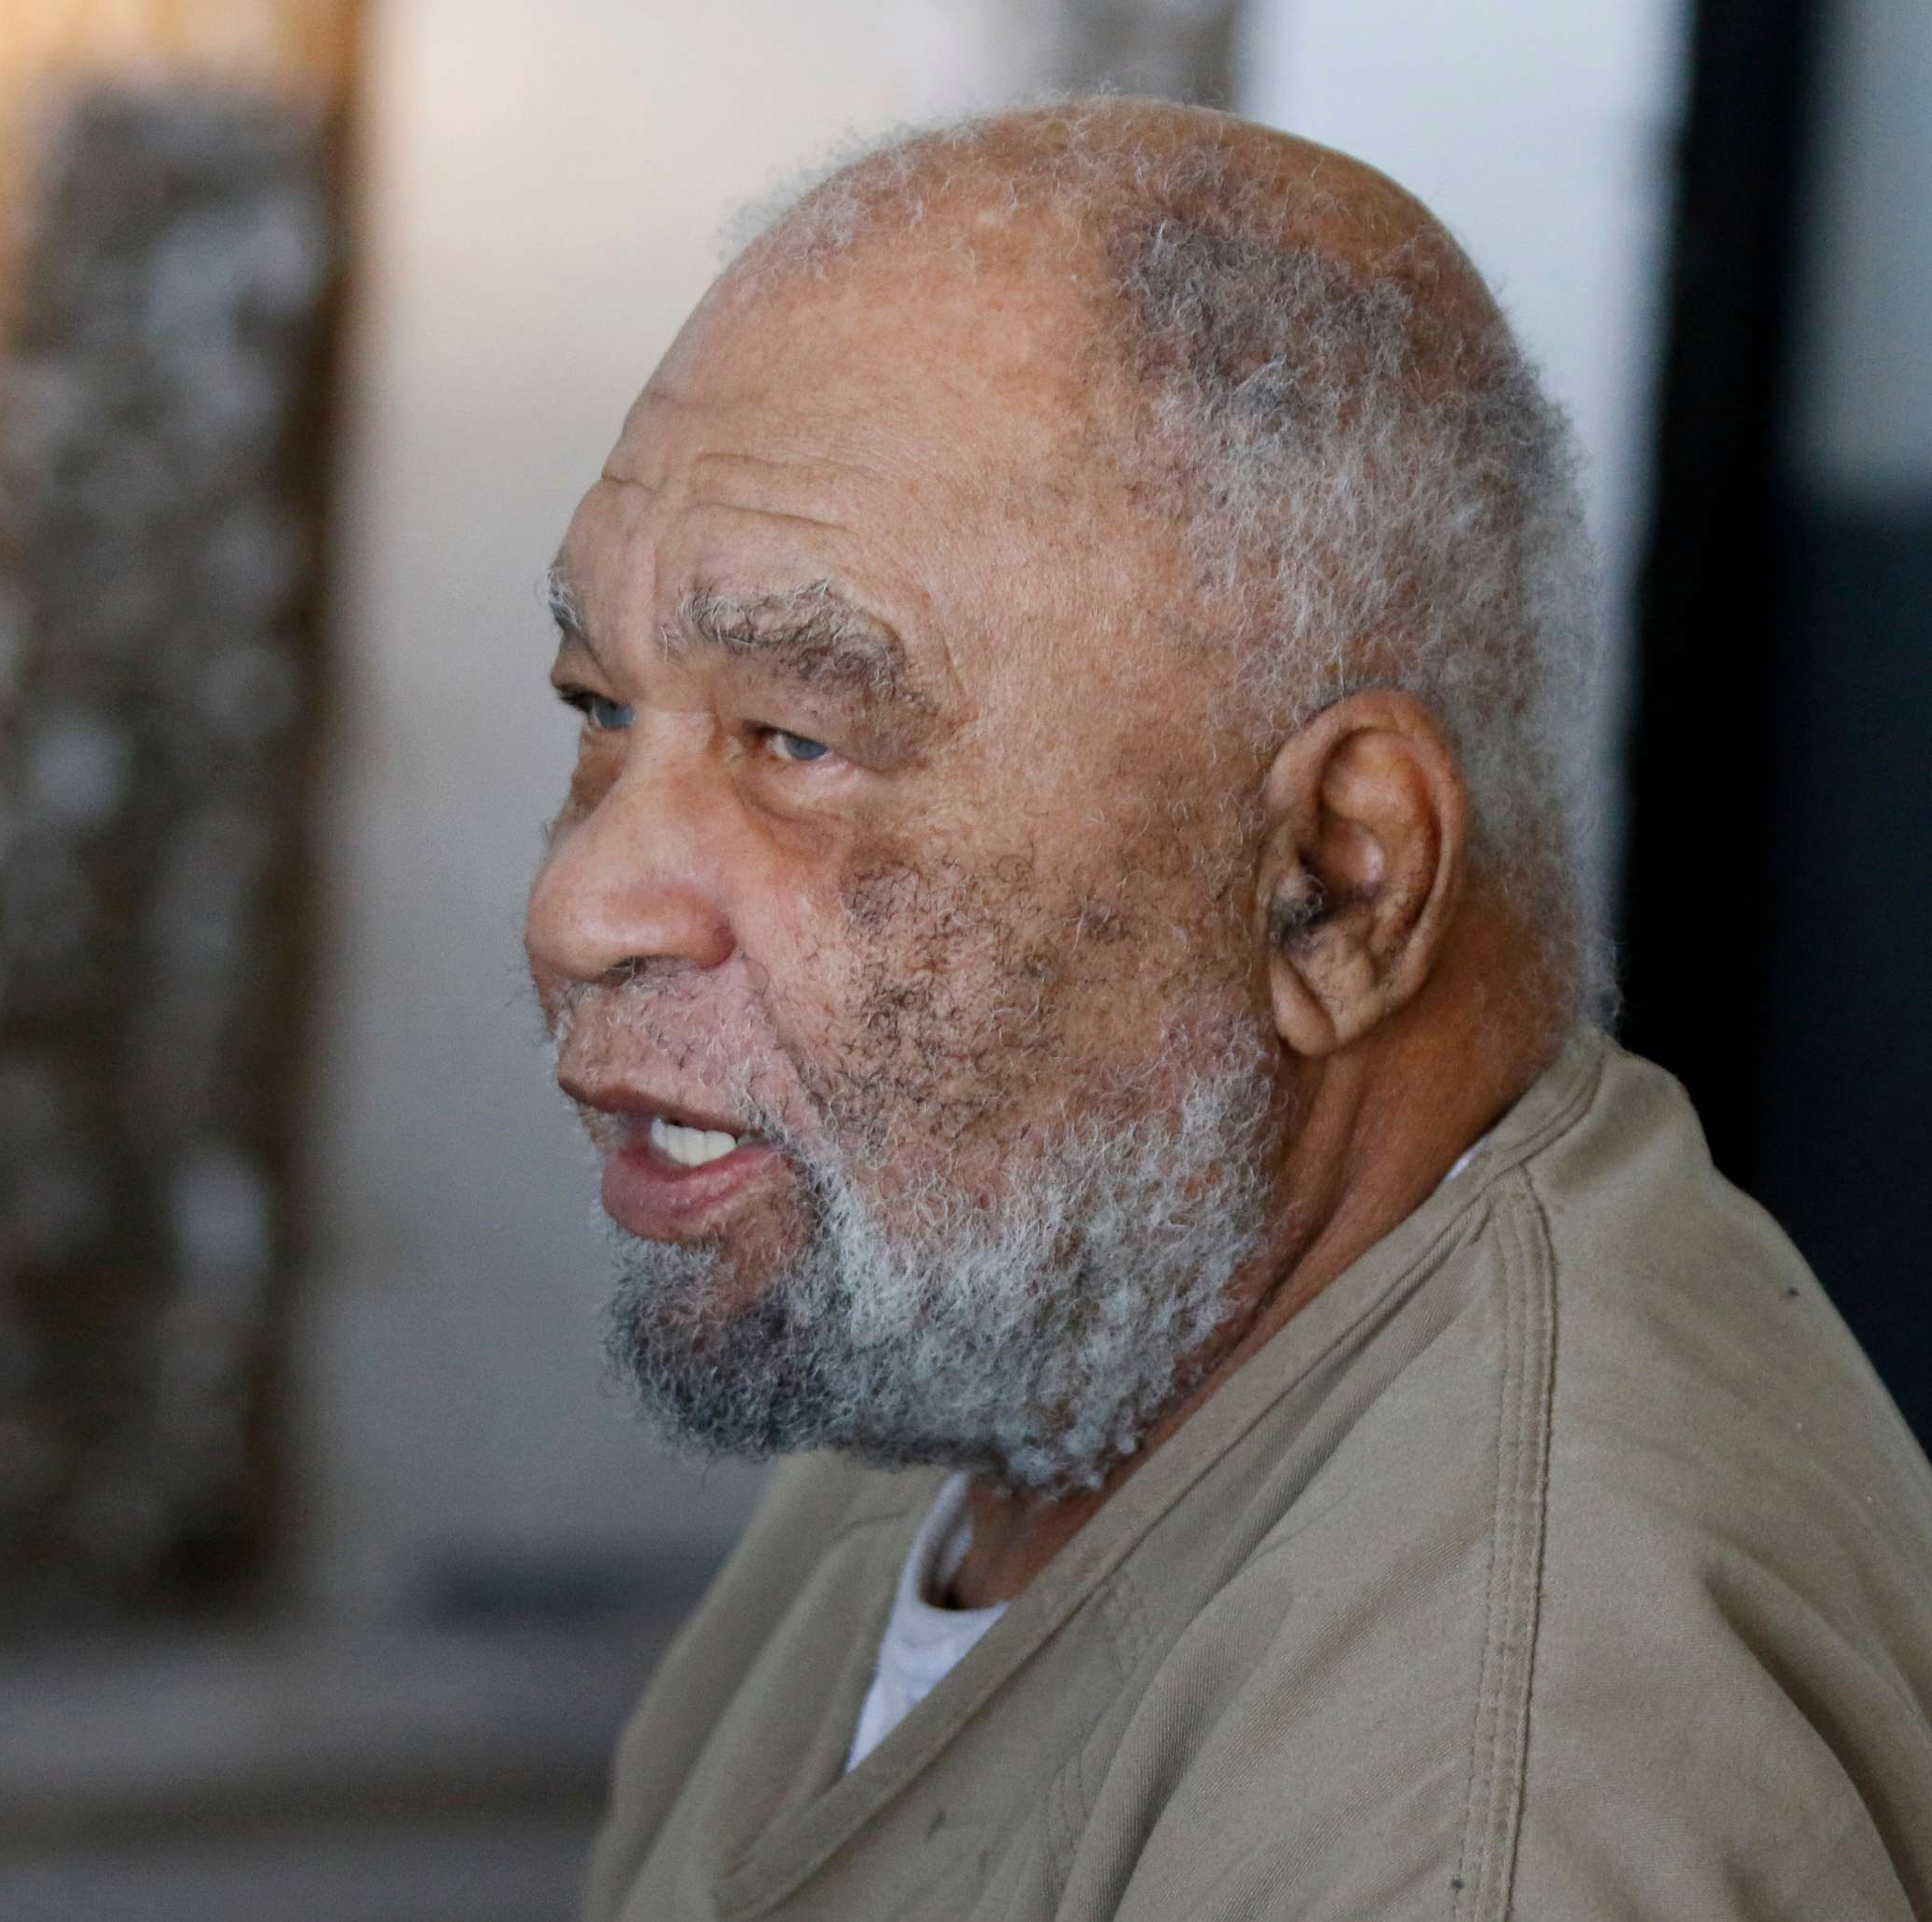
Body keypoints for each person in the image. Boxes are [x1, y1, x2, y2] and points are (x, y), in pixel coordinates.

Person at [523, 99, 1932, 1921]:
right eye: (600, 703)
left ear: (1338, 883)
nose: (581, 905)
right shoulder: (1026, 1302)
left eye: (799, 742)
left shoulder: (1491, 1806)